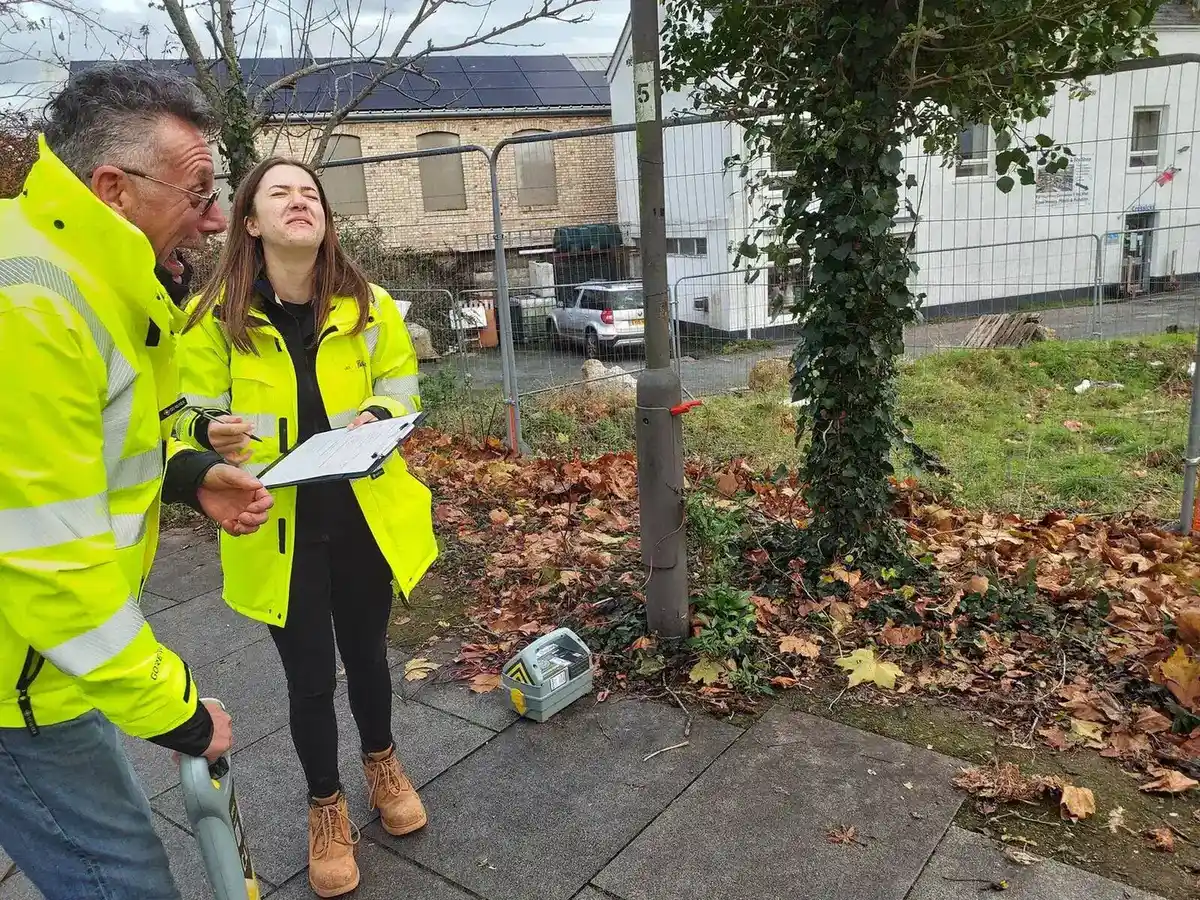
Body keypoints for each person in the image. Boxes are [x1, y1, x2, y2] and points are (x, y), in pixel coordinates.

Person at [0, 63, 275, 900]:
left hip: (49, 662)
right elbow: (50, 570)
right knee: (122, 883)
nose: (218, 218)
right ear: (113, 188)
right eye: (198, 194)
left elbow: (97, 441)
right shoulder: (34, 309)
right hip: (23, 677)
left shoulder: (73, 268)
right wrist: (180, 711)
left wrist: (191, 474)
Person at [175, 156, 439, 898]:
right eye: (280, 192)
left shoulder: (369, 305)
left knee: (369, 657)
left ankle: (382, 762)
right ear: (251, 223)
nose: (301, 202)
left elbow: (400, 385)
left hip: (363, 517)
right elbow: (180, 414)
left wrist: (381, 416)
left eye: (311, 193)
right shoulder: (213, 320)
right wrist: (207, 430)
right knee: (308, 680)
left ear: (325, 219)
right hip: (276, 529)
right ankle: (326, 804)